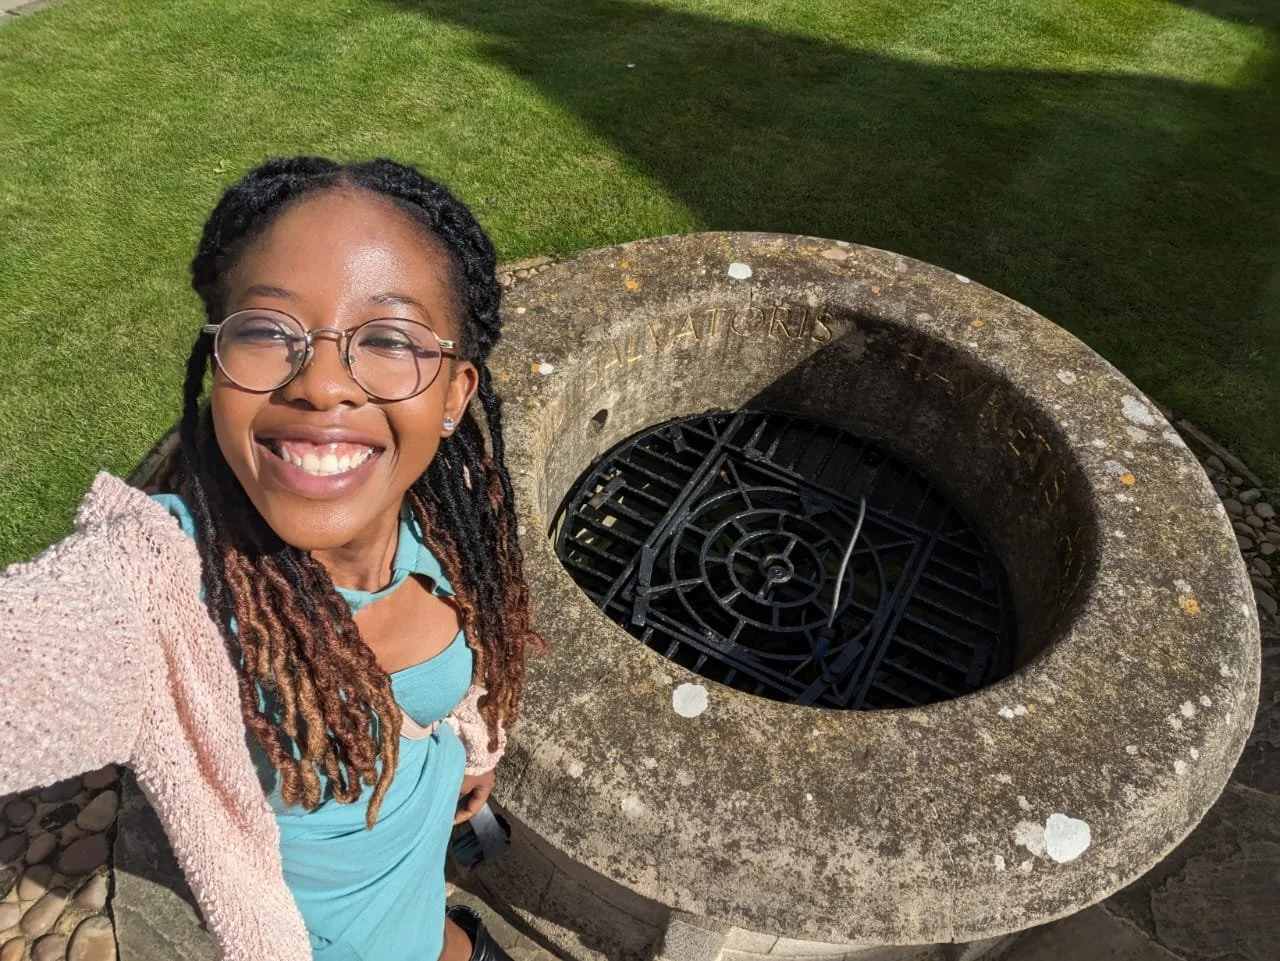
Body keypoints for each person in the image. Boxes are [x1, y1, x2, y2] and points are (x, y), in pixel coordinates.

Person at [0, 156, 542, 961]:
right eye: (265, 330)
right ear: (218, 362)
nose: (321, 384)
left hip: (432, 910)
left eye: (388, 338)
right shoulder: (159, 593)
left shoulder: (445, 497)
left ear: (454, 395)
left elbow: (470, 667)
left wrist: (472, 746)